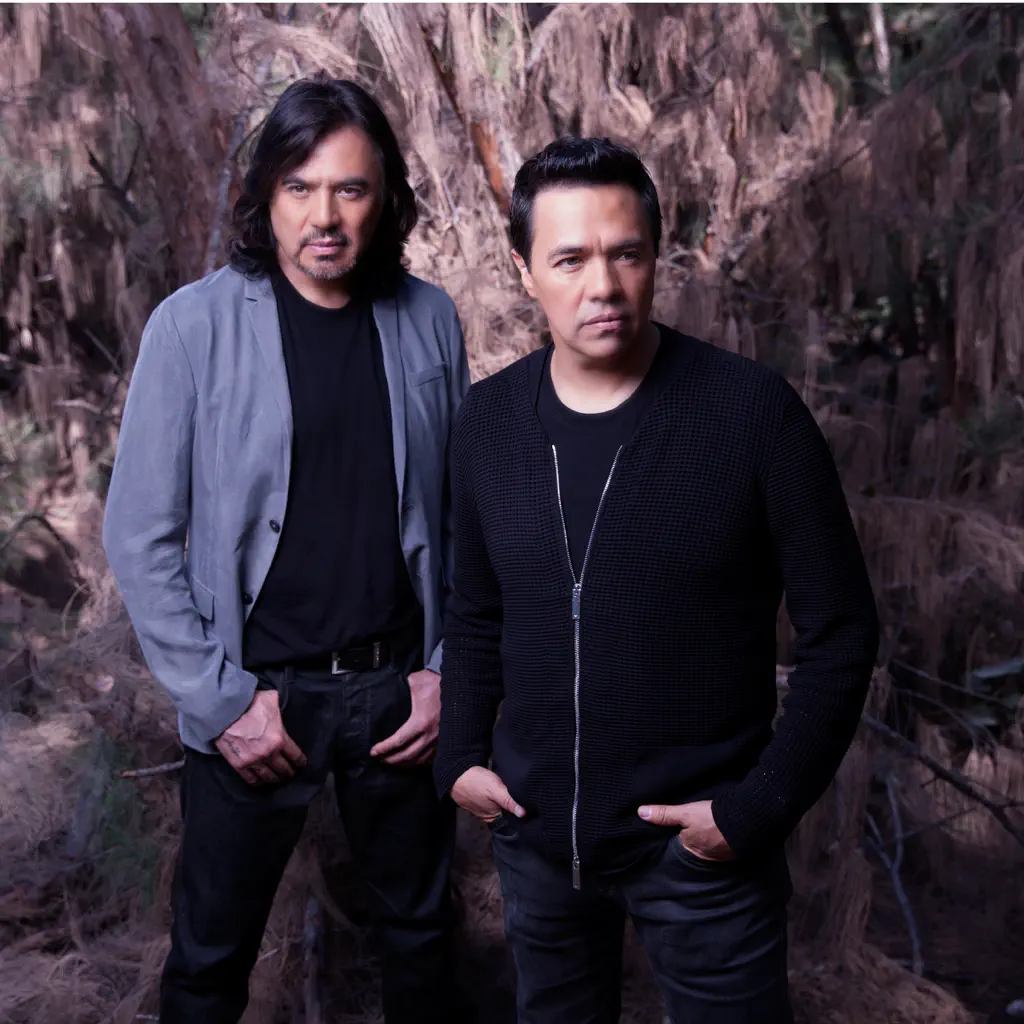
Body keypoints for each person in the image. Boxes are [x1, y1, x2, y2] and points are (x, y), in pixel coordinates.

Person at [434, 137, 880, 1024]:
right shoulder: (487, 421)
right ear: (525, 272)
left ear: (654, 257)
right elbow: (477, 612)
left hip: (703, 852)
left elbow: (843, 633)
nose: (602, 285)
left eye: (626, 254)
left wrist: (754, 810)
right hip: (538, 842)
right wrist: (459, 758)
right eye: (570, 259)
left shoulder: (751, 413)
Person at [103, 75, 470, 1024]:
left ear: (384, 198)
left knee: (425, 945)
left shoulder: (429, 319)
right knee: (208, 959)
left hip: (399, 695)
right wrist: (221, 701)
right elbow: (138, 535)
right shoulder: (191, 328)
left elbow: (460, 516)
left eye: (350, 188)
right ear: (264, 193)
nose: (325, 217)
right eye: (299, 187)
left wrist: (447, 673)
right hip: (257, 696)